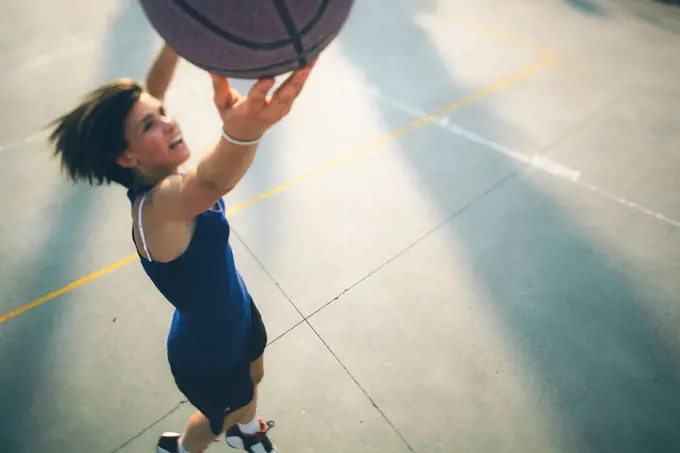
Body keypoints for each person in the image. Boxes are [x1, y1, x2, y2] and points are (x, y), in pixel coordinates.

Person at [48, 44, 316, 453]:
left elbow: (153, 91)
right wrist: (244, 130)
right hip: (206, 351)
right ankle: (180, 449)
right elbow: (210, 183)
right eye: (149, 126)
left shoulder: (157, 167)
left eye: (163, 114)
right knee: (221, 415)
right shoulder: (157, 209)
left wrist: (180, 36)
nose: (169, 124)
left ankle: (245, 430)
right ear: (125, 157)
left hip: (236, 309)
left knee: (254, 375)